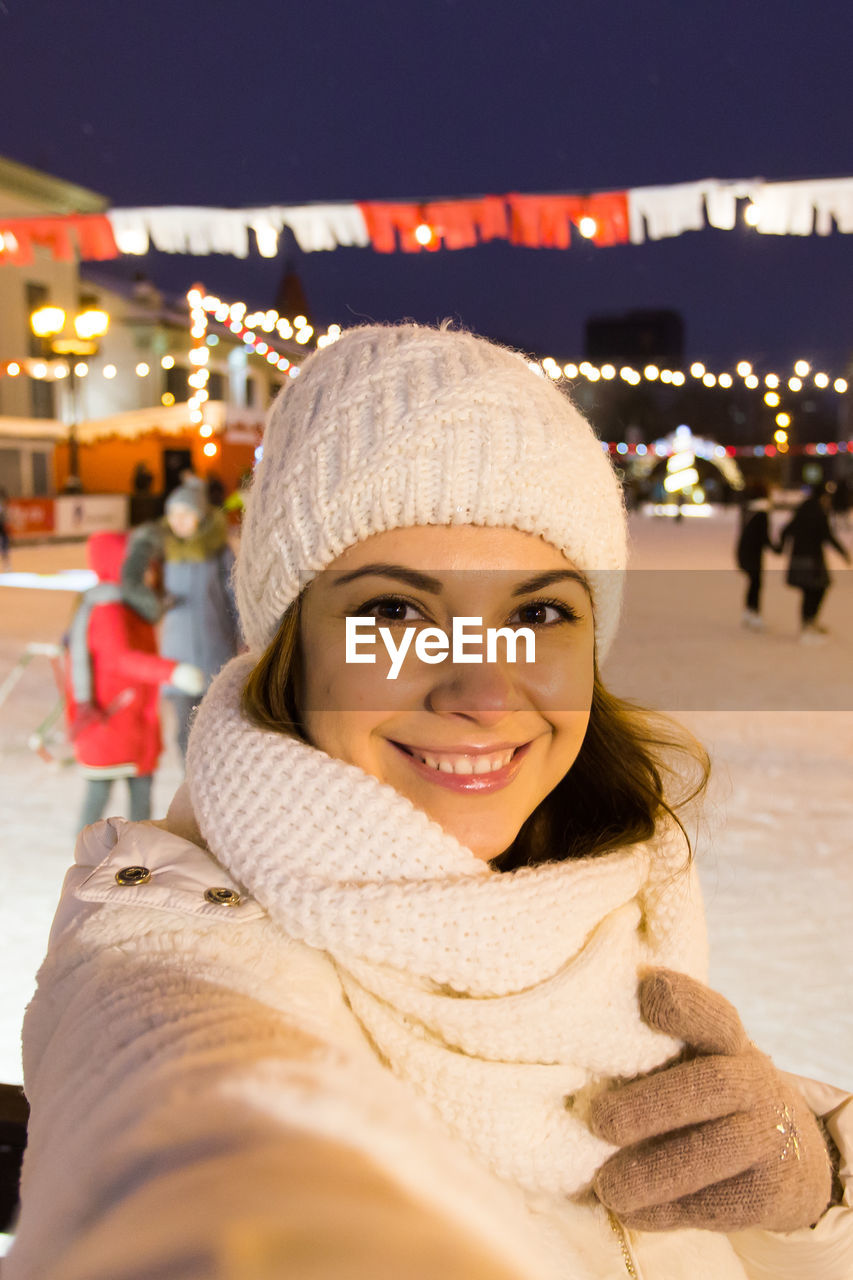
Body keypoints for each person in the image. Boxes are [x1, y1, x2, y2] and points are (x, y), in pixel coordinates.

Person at [9, 326, 851, 1280]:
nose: (485, 695)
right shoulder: (169, 961)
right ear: (294, 646)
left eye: (537, 614)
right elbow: (197, 1127)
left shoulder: (620, 899)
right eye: (394, 614)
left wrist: (821, 1190)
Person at [64, 530, 205, 830]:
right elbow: (121, 659)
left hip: (131, 722)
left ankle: (140, 854)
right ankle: (87, 858)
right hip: (112, 722)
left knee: (141, 795)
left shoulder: (128, 604)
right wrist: (172, 672)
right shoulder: (109, 609)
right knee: (101, 794)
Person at [124, 475, 241, 758]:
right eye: (173, 514)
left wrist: (245, 632)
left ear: (199, 516)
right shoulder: (162, 550)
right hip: (178, 653)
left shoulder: (218, 551)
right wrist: (157, 600)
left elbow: (234, 594)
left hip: (216, 649)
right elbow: (141, 588)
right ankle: (190, 786)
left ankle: (217, 779)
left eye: (185, 514)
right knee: (184, 730)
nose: (178, 521)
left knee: (216, 725)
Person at [780, 483, 850, 643]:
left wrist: (780, 547)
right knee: (816, 588)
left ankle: (809, 622)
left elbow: (787, 529)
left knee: (811, 590)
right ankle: (808, 624)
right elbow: (827, 535)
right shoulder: (819, 511)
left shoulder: (803, 508)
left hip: (799, 556)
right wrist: (843, 553)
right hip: (812, 558)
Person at [735, 482, 780, 629]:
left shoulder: (748, 510)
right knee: (757, 583)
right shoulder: (762, 512)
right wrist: (777, 549)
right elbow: (764, 537)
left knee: (753, 582)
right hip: (754, 553)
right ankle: (754, 614)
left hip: (744, 551)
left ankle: (748, 612)